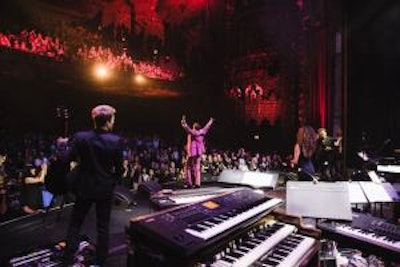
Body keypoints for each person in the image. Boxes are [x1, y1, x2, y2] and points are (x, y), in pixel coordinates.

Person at [59, 104, 124, 266]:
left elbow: (66, 159)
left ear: (94, 120)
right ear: (109, 121)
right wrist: (112, 181)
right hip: (104, 188)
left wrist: (62, 146)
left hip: (84, 187)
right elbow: (120, 168)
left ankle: (68, 259)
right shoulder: (115, 141)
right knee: (103, 226)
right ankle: (100, 261)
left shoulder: (81, 137)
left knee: (76, 223)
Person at [181, 115, 214, 188]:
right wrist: (210, 121)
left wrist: (184, 123)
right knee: (197, 167)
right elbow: (207, 127)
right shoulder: (202, 132)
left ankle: (189, 183)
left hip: (192, 152)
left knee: (188, 167)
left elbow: (187, 129)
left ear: (194, 127)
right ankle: (197, 183)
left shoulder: (193, 132)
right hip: (199, 152)